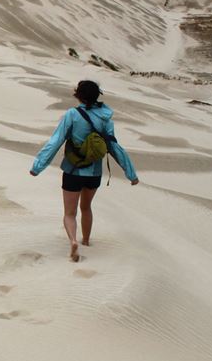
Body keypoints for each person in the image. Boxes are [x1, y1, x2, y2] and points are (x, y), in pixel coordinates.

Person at [29, 80, 139, 262]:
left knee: (69, 213)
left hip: (73, 171)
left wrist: (37, 167)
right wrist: (131, 174)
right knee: (86, 208)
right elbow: (114, 148)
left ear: (78, 95)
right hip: (94, 173)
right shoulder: (106, 119)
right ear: (97, 96)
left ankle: (73, 241)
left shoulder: (72, 114)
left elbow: (55, 141)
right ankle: (86, 241)